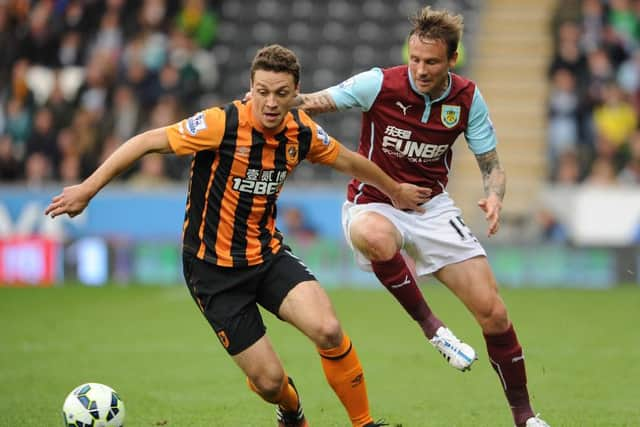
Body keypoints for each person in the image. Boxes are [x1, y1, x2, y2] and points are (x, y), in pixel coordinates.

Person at [45, 44, 431, 427]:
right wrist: (86, 190)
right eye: (262, 91)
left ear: (295, 94)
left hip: (267, 256)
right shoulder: (220, 124)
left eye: (281, 93)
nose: (271, 103)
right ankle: (290, 409)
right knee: (270, 382)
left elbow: (348, 159)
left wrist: (394, 190)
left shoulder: (302, 131)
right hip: (213, 271)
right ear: (250, 88)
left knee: (328, 329)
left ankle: (363, 424)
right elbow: (146, 141)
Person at [288, 7, 551, 427]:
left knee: (494, 313)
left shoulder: (466, 99)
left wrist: (494, 196)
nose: (420, 70)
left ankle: (525, 417)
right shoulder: (378, 83)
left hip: (431, 208)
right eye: (414, 59)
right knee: (373, 235)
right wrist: (276, 98)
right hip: (373, 201)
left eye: (431, 62)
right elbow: (315, 101)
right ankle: (434, 329)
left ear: (451, 59)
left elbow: (492, 164)